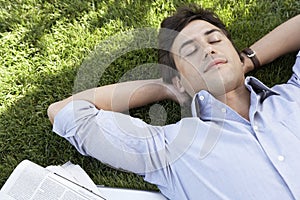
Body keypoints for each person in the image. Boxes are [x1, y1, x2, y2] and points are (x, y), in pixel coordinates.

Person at [47, 4, 300, 200]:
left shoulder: (294, 93)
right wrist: (167, 87)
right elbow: (64, 112)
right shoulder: (170, 149)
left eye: (214, 40)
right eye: (190, 52)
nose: (208, 50)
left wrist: (249, 59)